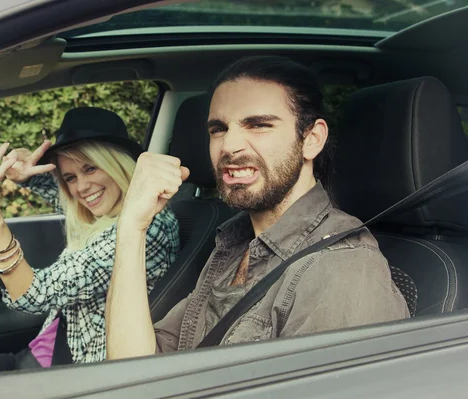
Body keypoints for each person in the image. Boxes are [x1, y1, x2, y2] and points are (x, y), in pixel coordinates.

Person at [105, 56, 410, 359]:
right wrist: (132, 226)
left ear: (311, 139)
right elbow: (136, 367)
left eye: (259, 125)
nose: (229, 145)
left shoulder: (342, 270)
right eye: (218, 129)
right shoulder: (234, 245)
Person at [0, 107, 179, 371]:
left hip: (76, 373)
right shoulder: (109, 210)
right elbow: (67, 196)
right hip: (45, 354)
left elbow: (35, 294)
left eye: (91, 168)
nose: (81, 187)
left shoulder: (145, 227)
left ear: (118, 164)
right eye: (70, 178)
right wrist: (23, 175)